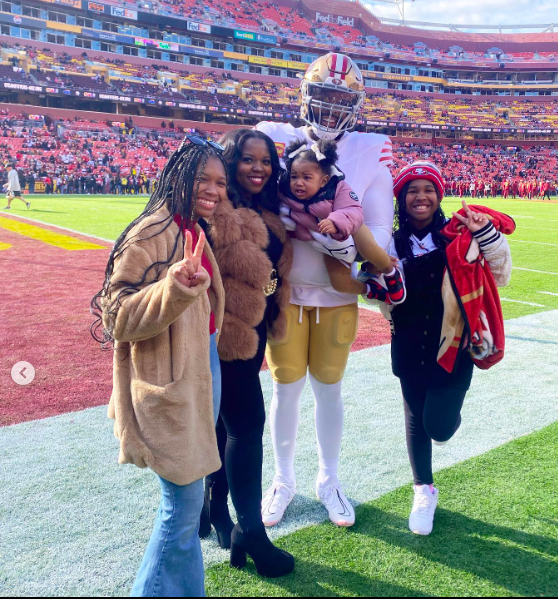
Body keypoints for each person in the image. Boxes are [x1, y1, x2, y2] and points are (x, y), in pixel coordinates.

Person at [255, 52, 395, 529]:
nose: (332, 109)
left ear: (355, 105)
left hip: (337, 292)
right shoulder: (273, 138)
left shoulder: (372, 149)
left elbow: (380, 225)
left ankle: (328, 479)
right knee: (285, 388)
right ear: (305, 96)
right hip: (286, 290)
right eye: (324, 97)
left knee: (328, 389)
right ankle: (283, 479)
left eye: (341, 100)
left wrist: (347, 251)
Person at [90, 136, 227, 597]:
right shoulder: (151, 232)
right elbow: (116, 317)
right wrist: (173, 286)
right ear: (179, 177)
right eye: (203, 179)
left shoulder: (192, 227)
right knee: (180, 511)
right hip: (167, 380)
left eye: (220, 182)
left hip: (201, 370)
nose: (213, 189)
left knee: (186, 511)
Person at [385, 161, 513, 537]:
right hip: (408, 342)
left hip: (454, 345)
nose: (420, 197)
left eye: (428, 189)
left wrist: (486, 234)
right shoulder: (389, 241)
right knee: (414, 417)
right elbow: (378, 291)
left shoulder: (461, 236)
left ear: (439, 195)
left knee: (438, 427)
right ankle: (423, 489)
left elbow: (502, 275)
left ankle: (447, 419)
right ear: (401, 198)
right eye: (412, 190)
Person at [199, 129, 295, 578]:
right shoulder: (218, 210)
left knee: (225, 424)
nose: (259, 168)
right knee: (246, 426)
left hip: (253, 332)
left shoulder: (267, 210)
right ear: (231, 161)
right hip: (225, 335)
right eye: (248, 159)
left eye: (266, 161)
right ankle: (251, 532)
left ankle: (213, 509)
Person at [279, 139, 404, 304]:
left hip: (349, 229)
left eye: (306, 177)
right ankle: (370, 290)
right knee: (340, 283)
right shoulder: (285, 190)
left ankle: (390, 271)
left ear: (323, 180)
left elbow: (353, 211)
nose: (298, 182)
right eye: (294, 176)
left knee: (368, 247)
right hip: (326, 239)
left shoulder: (337, 186)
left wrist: (334, 221)